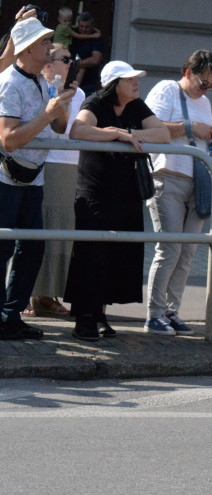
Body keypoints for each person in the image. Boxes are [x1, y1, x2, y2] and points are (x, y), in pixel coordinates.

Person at [65, 61, 170, 341]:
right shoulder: (95, 103)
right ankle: (84, 318)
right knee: (92, 256)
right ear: (114, 84)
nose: (137, 83)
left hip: (128, 193)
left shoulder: (137, 105)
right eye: (130, 79)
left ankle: (100, 314)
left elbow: (163, 134)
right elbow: (78, 131)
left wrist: (130, 134)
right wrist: (114, 132)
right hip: (96, 193)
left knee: (116, 256)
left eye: (137, 79)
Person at [142, 50, 212, 336]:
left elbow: (203, 140)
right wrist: (191, 127)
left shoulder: (205, 102)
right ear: (188, 72)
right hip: (167, 177)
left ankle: (171, 310)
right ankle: (154, 314)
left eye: (211, 85)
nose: (205, 89)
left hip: (198, 180)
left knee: (187, 251)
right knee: (170, 248)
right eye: (203, 82)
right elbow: (151, 129)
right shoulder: (167, 89)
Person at [0, 16, 73, 340]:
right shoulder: (9, 83)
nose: (50, 46)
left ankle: (10, 316)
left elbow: (56, 127)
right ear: (28, 48)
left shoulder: (40, 81)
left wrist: (60, 108)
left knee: (31, 249)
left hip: (33, 179)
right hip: (6, 180)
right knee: (3, 250)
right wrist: (49, 113)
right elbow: (9, 139)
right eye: (45, 42)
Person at [27, 43, 85, 319]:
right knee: (37, 226)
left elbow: (71, 130)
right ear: (48, 64)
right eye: (65, 58)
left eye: (70, 58)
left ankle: (46, 294)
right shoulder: (36, 85)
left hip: (67, 164)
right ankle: (30, 294)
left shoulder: (79, 92)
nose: (70, 62)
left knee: (59, 228)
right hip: (41, 162)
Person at [69, 11, 103, 95]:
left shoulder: (97, 38)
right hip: (68, 80)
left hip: (88, 83)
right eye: (81, 26)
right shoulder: (72, 33)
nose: (84, 29)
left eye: (87, 27)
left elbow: (95, 60)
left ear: (93, 26)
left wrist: (74, 64)